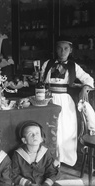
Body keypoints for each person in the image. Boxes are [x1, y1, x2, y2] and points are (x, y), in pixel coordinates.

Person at [40, 36, 94, 166]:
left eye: (65, 49)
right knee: (50, 127)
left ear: (70, 50)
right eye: (59, 48)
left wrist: (85, 89)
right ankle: (50, 158)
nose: (62, 51)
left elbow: (89, 79)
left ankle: (64, 158)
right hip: (49, 99)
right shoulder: (47, 64)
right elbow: (40, 80)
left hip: (65, 100)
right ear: (56, 50)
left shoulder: (73, 66)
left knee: (66, 129)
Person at [12, 121, 60, 186]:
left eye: (37, 133)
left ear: (41, 139)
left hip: (43, 182)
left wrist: (46, 184)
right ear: (24, 140)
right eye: (30, 134)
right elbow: (14, 174)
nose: (34, 136)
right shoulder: (18, 154)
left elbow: (51, 172)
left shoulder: (45, 152)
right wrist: (28, 184)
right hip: (26, 184)